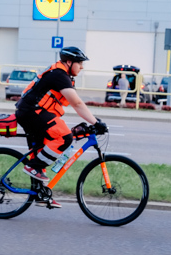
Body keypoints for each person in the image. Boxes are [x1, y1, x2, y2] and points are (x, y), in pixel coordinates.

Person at [15, 47, 108, 209]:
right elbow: (77, 104)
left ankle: (41, 194)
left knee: (43, 149)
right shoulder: (59, 75)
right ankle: (33, 167)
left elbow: (76, 102)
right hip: (31, 112)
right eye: (80, 63)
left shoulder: (63, 75)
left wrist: (93, 120)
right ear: (69, 62)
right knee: (64, 137)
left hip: (32, 111)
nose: (82, 67)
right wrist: (95, 123)